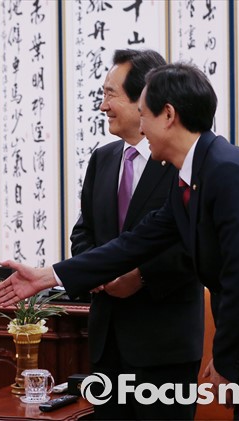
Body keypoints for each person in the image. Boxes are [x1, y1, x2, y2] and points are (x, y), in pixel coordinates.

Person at [0, 63, 239, 419]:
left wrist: (227, 361)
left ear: (168, 115)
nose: (141, 128)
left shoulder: (228, 172)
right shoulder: (194, 175)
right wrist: (48, 276)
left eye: (144, 115)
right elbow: (135, 243)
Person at [70, 49, 203, 420]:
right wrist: (99, 272)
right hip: (107, 340)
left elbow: (193, 243)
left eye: (110, 94)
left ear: (145, 97)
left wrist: (141, 276)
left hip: (164, 345)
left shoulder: (183, 161)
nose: (103, 106)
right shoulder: (103, 159)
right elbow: (83, 231)